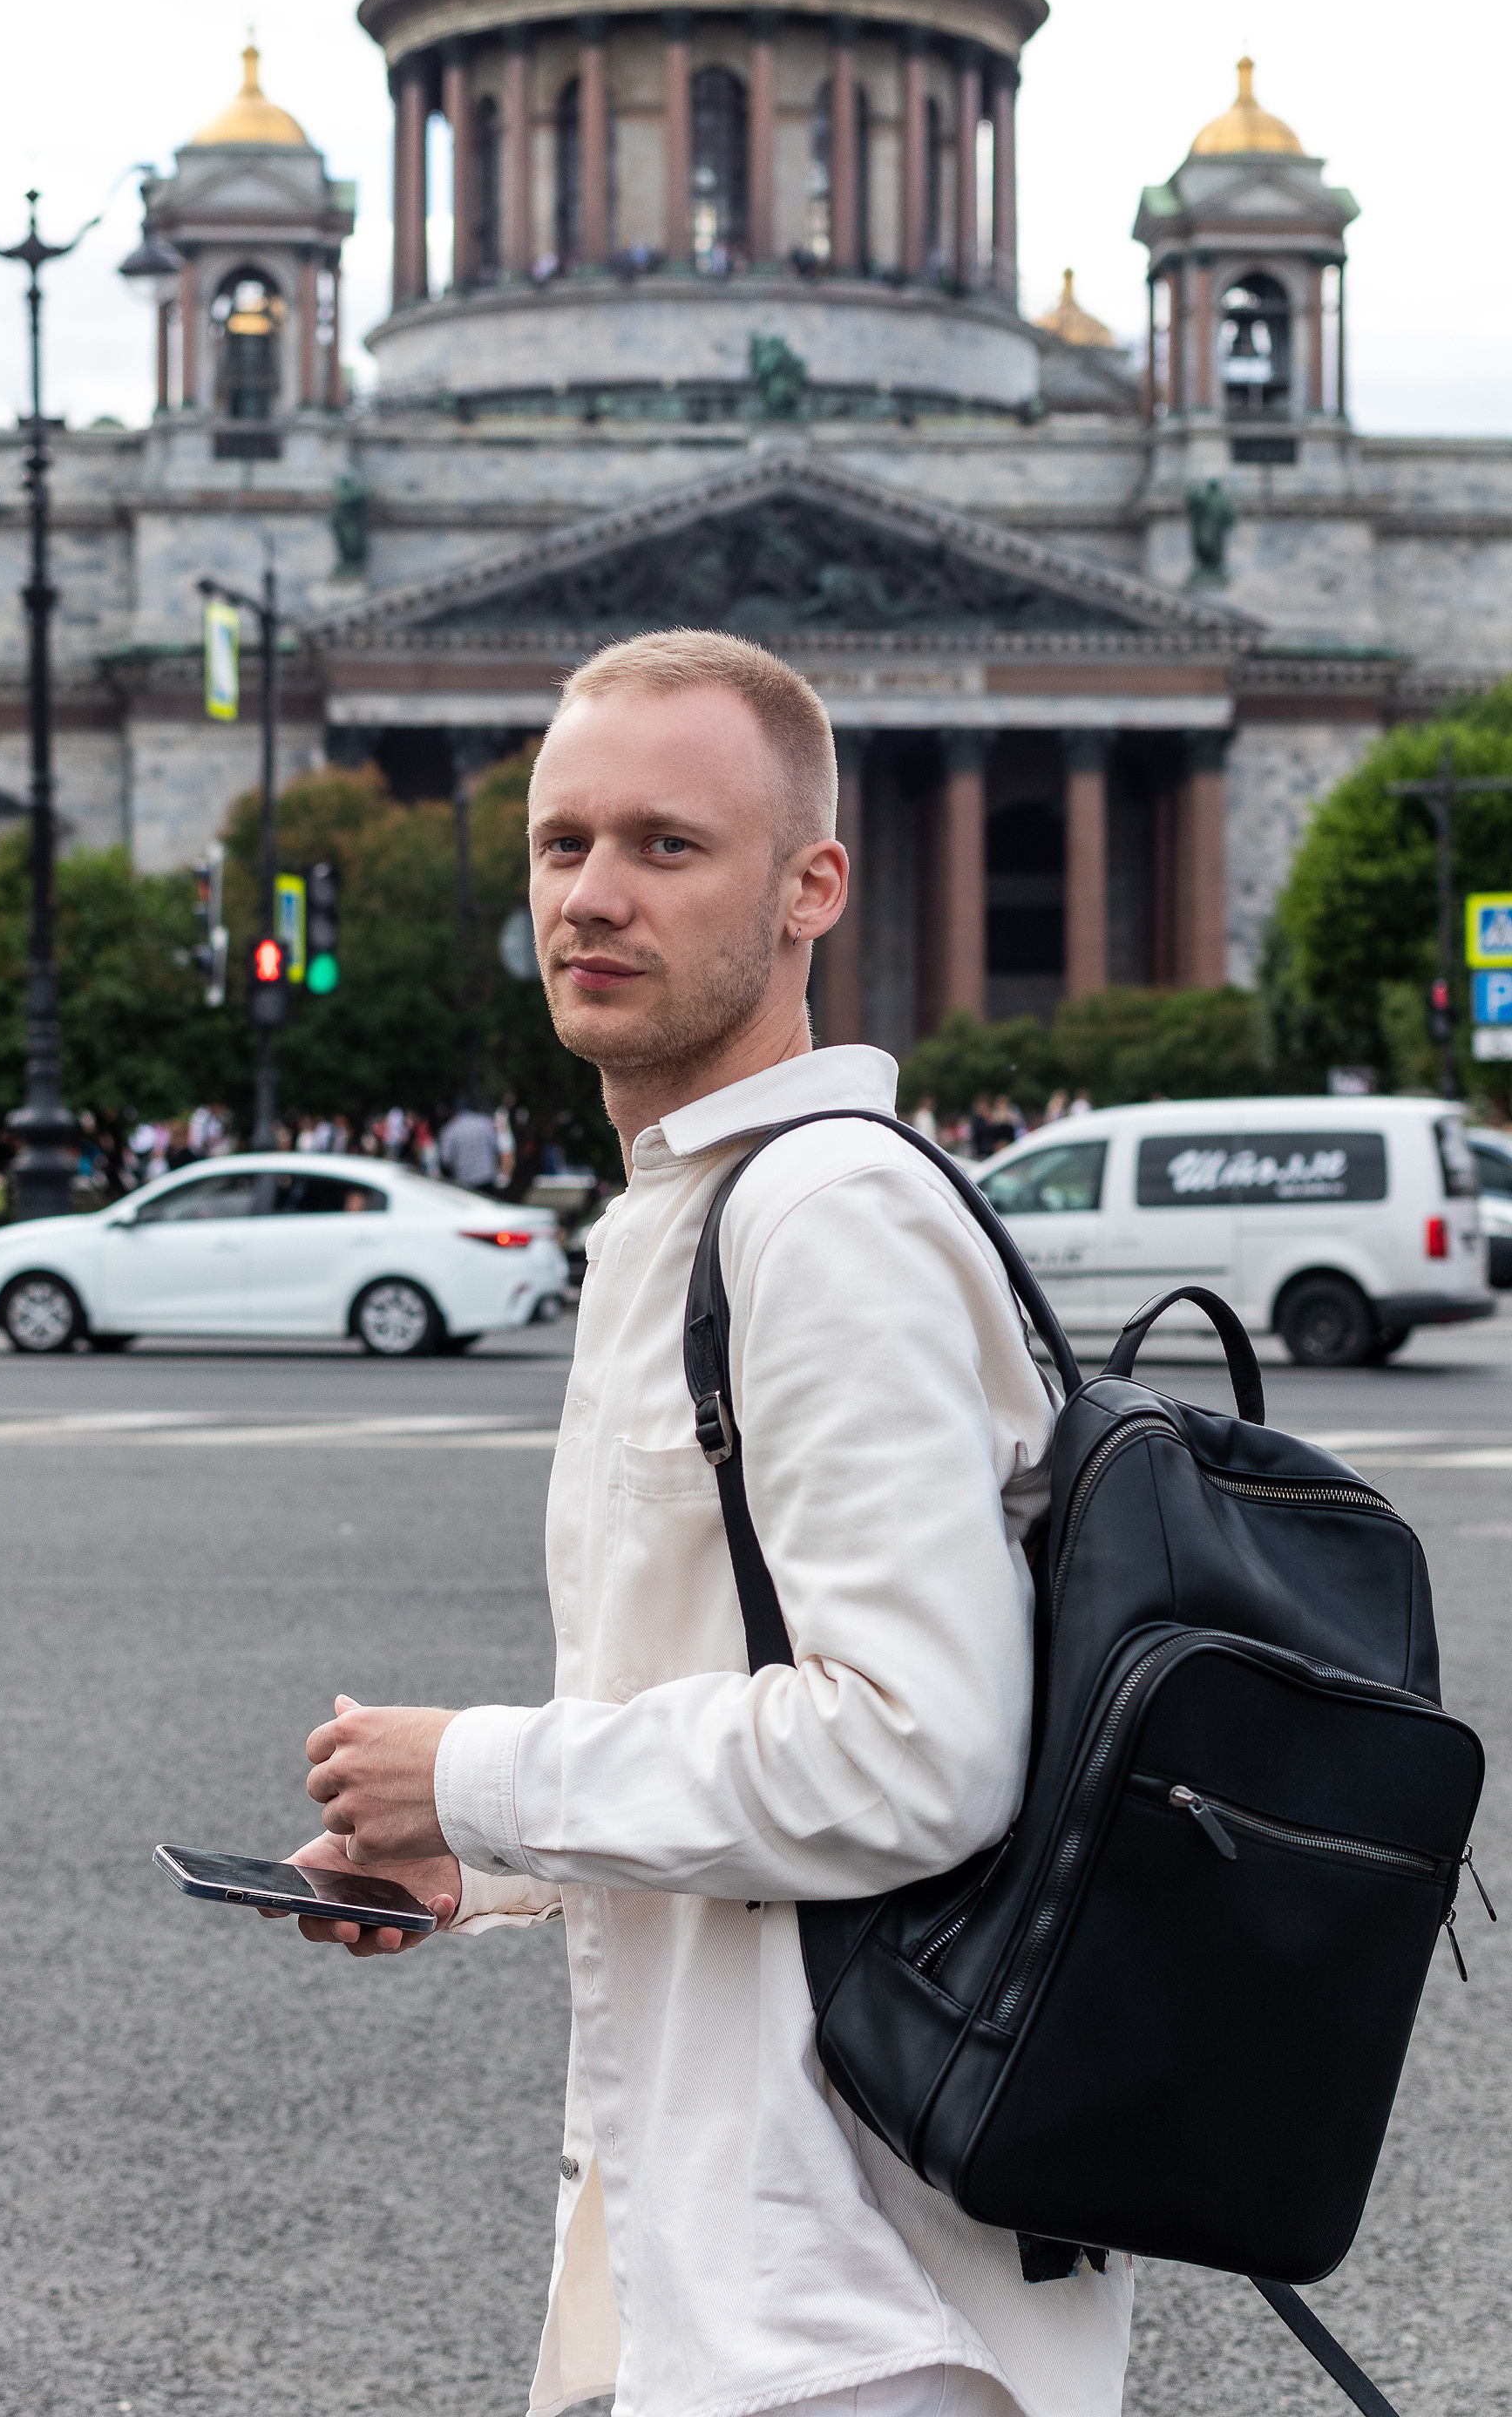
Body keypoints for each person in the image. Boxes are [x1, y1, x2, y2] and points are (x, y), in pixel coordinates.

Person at [279, 632, 1131, 2417]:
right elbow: (741, 1695)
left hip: (855, 2298)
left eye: (667, 845)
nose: (591, 895)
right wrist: (482, 1863)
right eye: (562, 842)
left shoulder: (820, 1219)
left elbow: (917, 1755)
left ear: (811, 886)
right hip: (737, 2256)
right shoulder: (692, 1210)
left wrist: (478, 1771)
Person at [438, 1098, 502, 1191]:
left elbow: (446, 1160)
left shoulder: (449, 1129)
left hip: (464, 1181)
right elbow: (496, 1147)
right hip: (487, 1178)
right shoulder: (485, 1122)